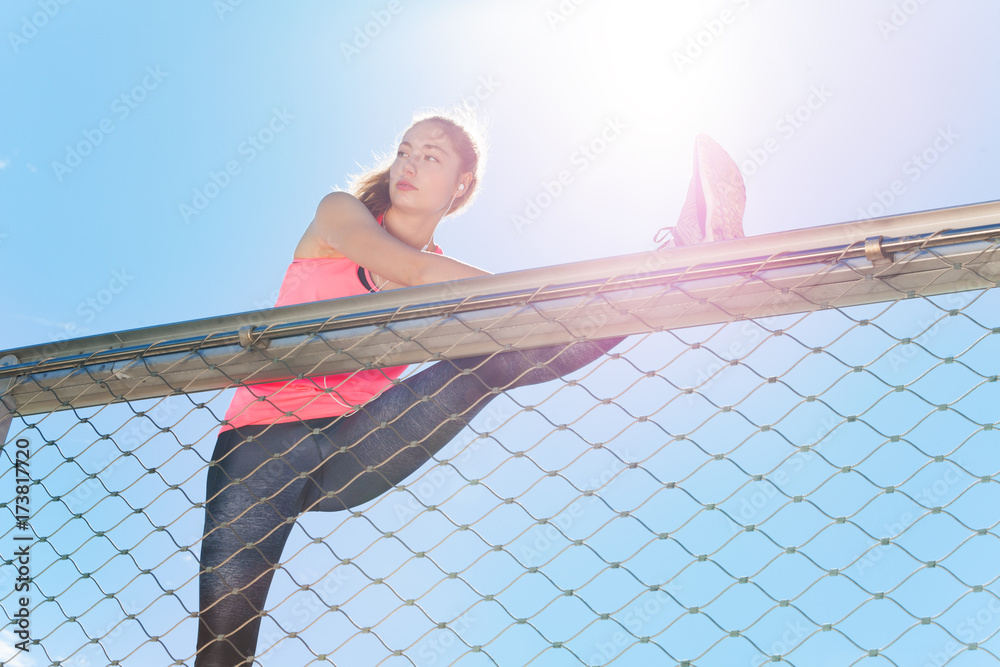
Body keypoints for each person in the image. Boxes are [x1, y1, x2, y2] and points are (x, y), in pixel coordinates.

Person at [195, 112, 746, 666]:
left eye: (430, 156)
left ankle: (682, 257)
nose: (409, 163)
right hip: (259, 449)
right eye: (405, 150)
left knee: (487, 361)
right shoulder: (340, 213)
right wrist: (530, 297)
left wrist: (545, 307)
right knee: (224, 653)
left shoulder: (442, 274)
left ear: (461, 186)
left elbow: (468, 302)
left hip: (350, 446)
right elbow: (409, 271)